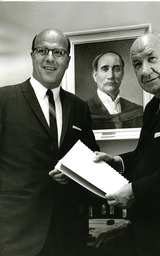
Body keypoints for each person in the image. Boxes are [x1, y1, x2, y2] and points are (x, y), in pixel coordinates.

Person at [94, 33, 160, 256]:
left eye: (151, 59)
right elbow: (147, 154)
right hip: (150, 234)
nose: (144, 70)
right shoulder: (153, 106)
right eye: (137, 64)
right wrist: (118, 160)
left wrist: (134, 191)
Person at [0, 28, 99, 256]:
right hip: (15, 235)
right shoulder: (4, 100)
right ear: (32, 55)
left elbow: (92, 157)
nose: (50, 58)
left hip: (68, 233)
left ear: (68, 60)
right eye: (42, 50)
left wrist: (73, 173)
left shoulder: (79, 107)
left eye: (58, 52)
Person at [87, 51, 143, 129]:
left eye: (116, 69)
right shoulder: (82, 111)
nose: (111, 76)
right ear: (95, 76)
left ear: (122, 74)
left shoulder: (138, 111)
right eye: (105, 69)